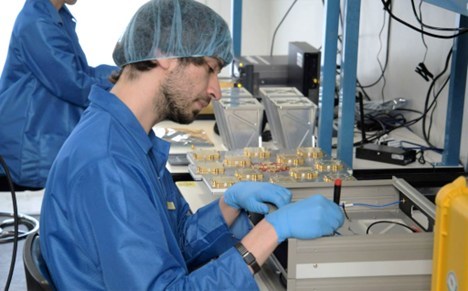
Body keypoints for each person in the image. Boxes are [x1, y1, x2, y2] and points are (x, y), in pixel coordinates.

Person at [39, 0, 344, 289]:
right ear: (165, 54)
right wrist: (271, 232)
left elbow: (175, 242)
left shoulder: (127, 136)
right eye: (210, 68)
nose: (216, 91)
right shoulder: (108, 164)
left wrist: (226, 206)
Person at [0, 0, 117, 189]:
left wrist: (123, 73)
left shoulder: (57, 16)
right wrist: (127, 87)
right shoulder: (37, 23)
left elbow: (80, 71)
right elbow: (75, 84)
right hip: (31, 144)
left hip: (47, 132)